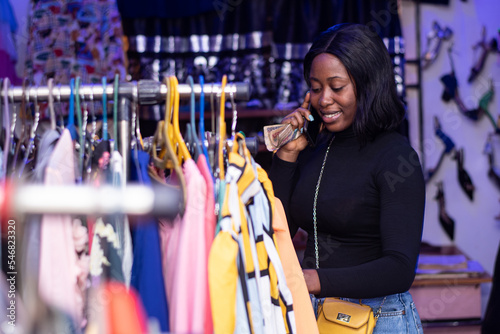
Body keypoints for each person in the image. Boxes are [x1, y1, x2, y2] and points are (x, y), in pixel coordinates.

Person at [268, 23, 425, 333]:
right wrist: (287, 156)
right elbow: (275, 226)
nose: (323, 99)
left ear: (367, 84)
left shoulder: (396, 157)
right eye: (315, 87)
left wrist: (313, 279)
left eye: (336, 87)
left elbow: (400, 268)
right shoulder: (316, 147)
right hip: (317, 314)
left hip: (379, 317)